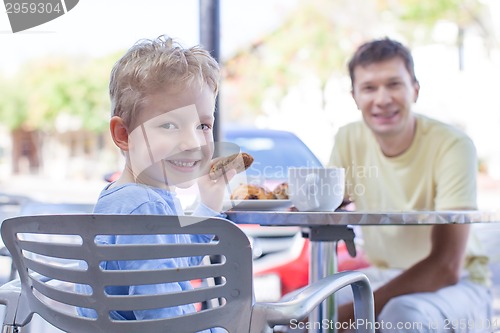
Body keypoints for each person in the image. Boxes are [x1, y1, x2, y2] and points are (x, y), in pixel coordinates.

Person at [329, 38, 491, 332]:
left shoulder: (452, 145)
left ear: (414, 90)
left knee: (403, 316)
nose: (382, 99)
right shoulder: (347, 138)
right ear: (354, 97)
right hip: (385, 274)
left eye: (394, 84)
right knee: (302, 307)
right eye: (369, 88)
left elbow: (446, 267)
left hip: (463, 282)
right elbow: (327, 205)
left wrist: (352, 314)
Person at [77, 35, 236, 331]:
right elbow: (163, 317)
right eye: (169, 125)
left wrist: (207, 206)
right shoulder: (145, 208)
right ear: (124, 134)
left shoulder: (120, 200)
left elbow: (171, 266)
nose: (192, 142)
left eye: (203, 125)